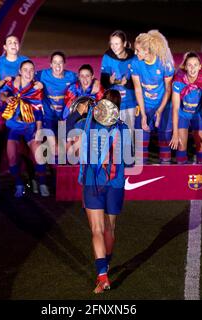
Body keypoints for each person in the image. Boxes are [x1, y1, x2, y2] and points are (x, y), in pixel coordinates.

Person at [65, 89, 131, 294]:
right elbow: (128, 159)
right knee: (110, 228)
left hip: (93, 183)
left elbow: (67, 127)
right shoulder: (125, 128)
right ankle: (106, 266)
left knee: (96, 230)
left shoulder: (87, 124)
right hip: (116, 184)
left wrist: (80, 112)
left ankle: (102, 276)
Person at [0, 59, 49, 197]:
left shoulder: (36, 89)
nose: (28, 72)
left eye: (31, 70)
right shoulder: (12, 84)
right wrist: (5, 99)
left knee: (39, 154)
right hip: (13, 128)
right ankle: (19, 184)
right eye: (25, 69)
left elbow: (39, 113)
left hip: (30, 127)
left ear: (35, 72)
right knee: (12, 156)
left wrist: (38, 131)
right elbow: (2, 93)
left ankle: (42, 182)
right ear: (20, 71)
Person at [0, 34, 29, 187]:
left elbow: (31, 83)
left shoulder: (24, 61)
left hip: (22, 107)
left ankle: (30, 177)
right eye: (10, 42)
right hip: (3, 107)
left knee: (24, 141)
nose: (13, 44)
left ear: (18, 46)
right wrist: (4, 81)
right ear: (5, 47)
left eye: (16, 41)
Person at [131, 29, 174, 164]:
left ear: (146, 51)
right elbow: (138, 89)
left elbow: (168, 90)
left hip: (163, 105)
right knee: (141, 144)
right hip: (145, 105)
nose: (135, 53)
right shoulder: (135, 63)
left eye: (138, 50)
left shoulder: (164, 63)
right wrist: (143, 114)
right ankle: (141, 178)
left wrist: (160, 110)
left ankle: (166, 175)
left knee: (165, 141)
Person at [169, 52, 202, 163]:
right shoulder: (178, 81)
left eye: (195, 65)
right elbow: (175, 108)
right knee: (180, 146)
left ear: (200, 67)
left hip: (198, 115)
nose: (192, 68)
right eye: (189, 65)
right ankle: (181, 176)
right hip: (183, 114)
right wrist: (175, 133)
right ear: (185, 67)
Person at [36, 51, 77, 167]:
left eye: (60, 63)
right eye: (55, 63)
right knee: (55, 149)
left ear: (64, 64)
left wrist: (95, 83)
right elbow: (26, 75)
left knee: (67, 149)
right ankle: (55, 176)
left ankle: (63, 175)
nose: (57, 66)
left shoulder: (72, 77)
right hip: (49, 118)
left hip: (64, 119)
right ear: (50, 64)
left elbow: (86, 82)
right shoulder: (42, 75)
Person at [100, 30, 136, 130]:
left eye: (117, 44)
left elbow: (139, 83)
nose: (113, 47)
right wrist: (109, 81)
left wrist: (128, 83)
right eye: (112, 44)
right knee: (114, 138)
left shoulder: (133, 57)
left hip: (130, 103)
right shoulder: (107, 56)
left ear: (124, 44)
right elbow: (103, 81)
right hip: (113, 104)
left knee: (129, 136)